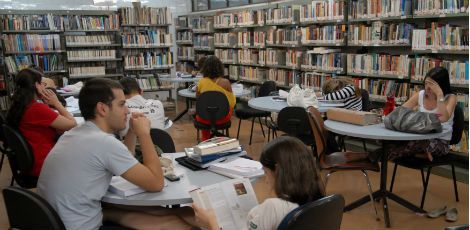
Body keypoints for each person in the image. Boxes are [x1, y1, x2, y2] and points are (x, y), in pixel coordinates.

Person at [37, 78, 193, 230]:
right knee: (176, 221)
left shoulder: (77, 132)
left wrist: (132, 131)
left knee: (179, 214)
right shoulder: (103, 142)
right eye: (122, 104)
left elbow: (126, 159)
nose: (128, 111)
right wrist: (144, 134)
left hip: (65, 220)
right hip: (83, 225)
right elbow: (156, 183)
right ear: (102, 109)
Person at [193, 136, 325, 230]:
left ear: (278, 170)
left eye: (266, 173)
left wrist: (211, 223)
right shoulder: (317, 195)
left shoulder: (273, 207)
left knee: (181, 222)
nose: (266, 181)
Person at [5, 68, 76, 177]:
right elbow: (72, 125)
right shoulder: (36, 108)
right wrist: (57, 103)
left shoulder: (20, 105)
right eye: (42, 84)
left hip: (32, 161)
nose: (44, 87)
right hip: (45, 163)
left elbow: (44, 123)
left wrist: (46, 104)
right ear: (36, 85)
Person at [385, 67, 457, 161]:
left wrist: (439, 94)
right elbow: (400, 112)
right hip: (419, 135)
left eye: (431, 84)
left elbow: (443, 118)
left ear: (440, 85)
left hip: (440, 141)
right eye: (426, 83)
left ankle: (376, 157)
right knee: (392, 141)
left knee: (414, 143)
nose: (427, 87)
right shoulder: (421, 94)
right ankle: (422, 152)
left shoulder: (450, 98)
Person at [195, 56, 236, 141]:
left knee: (204, 110)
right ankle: (223, 141)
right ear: (220, 68)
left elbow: (198, 102)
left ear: (205, 68)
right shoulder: (226, 82)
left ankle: (205, 139)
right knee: (229, 108)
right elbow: (232, 103)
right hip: (222, 118)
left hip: (204, 119)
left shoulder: (201, 82)